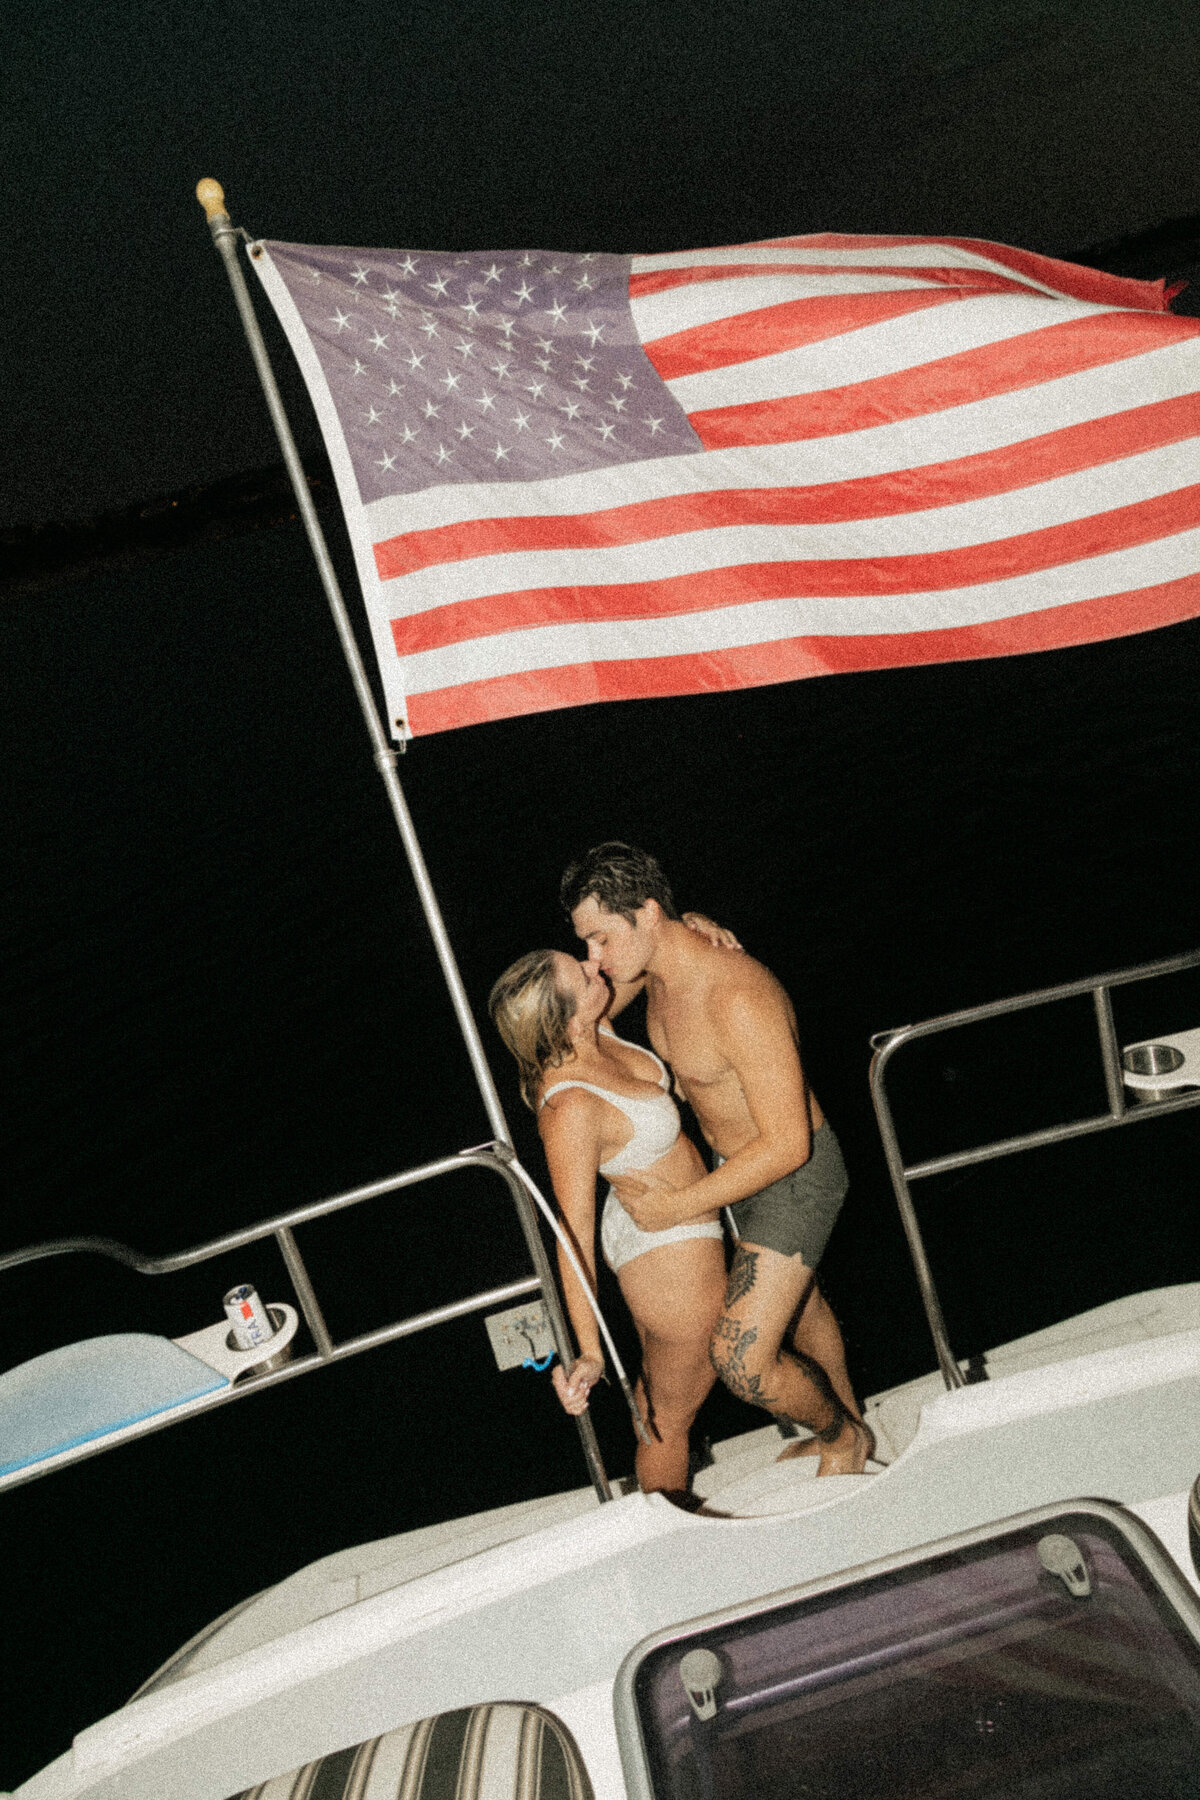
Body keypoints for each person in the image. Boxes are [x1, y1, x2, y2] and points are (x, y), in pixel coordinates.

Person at [561, 842, 873, 1476]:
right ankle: (850, 1414)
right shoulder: (651, 969)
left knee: (741, 1358)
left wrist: (678, 1204)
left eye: (599, 939)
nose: (593, 960)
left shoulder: (737, 995)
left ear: (645, 913)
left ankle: (844, 1436)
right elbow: (579, 1025)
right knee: (801, 1304)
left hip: (796, 1178)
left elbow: (791, 1144)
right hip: (734, 1171)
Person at [488, 947, 727, 1495]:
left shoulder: (594, 1023)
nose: (597, 967)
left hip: (655, 1223)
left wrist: (693, 928)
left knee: (659, 1397)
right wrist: (589, 1352)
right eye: (584, 973)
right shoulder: (570, 1109)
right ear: (567, 1020)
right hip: (666, 1248)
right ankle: (671, 1544)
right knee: (669, 1421)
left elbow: (645, 965)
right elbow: (569, 1238)